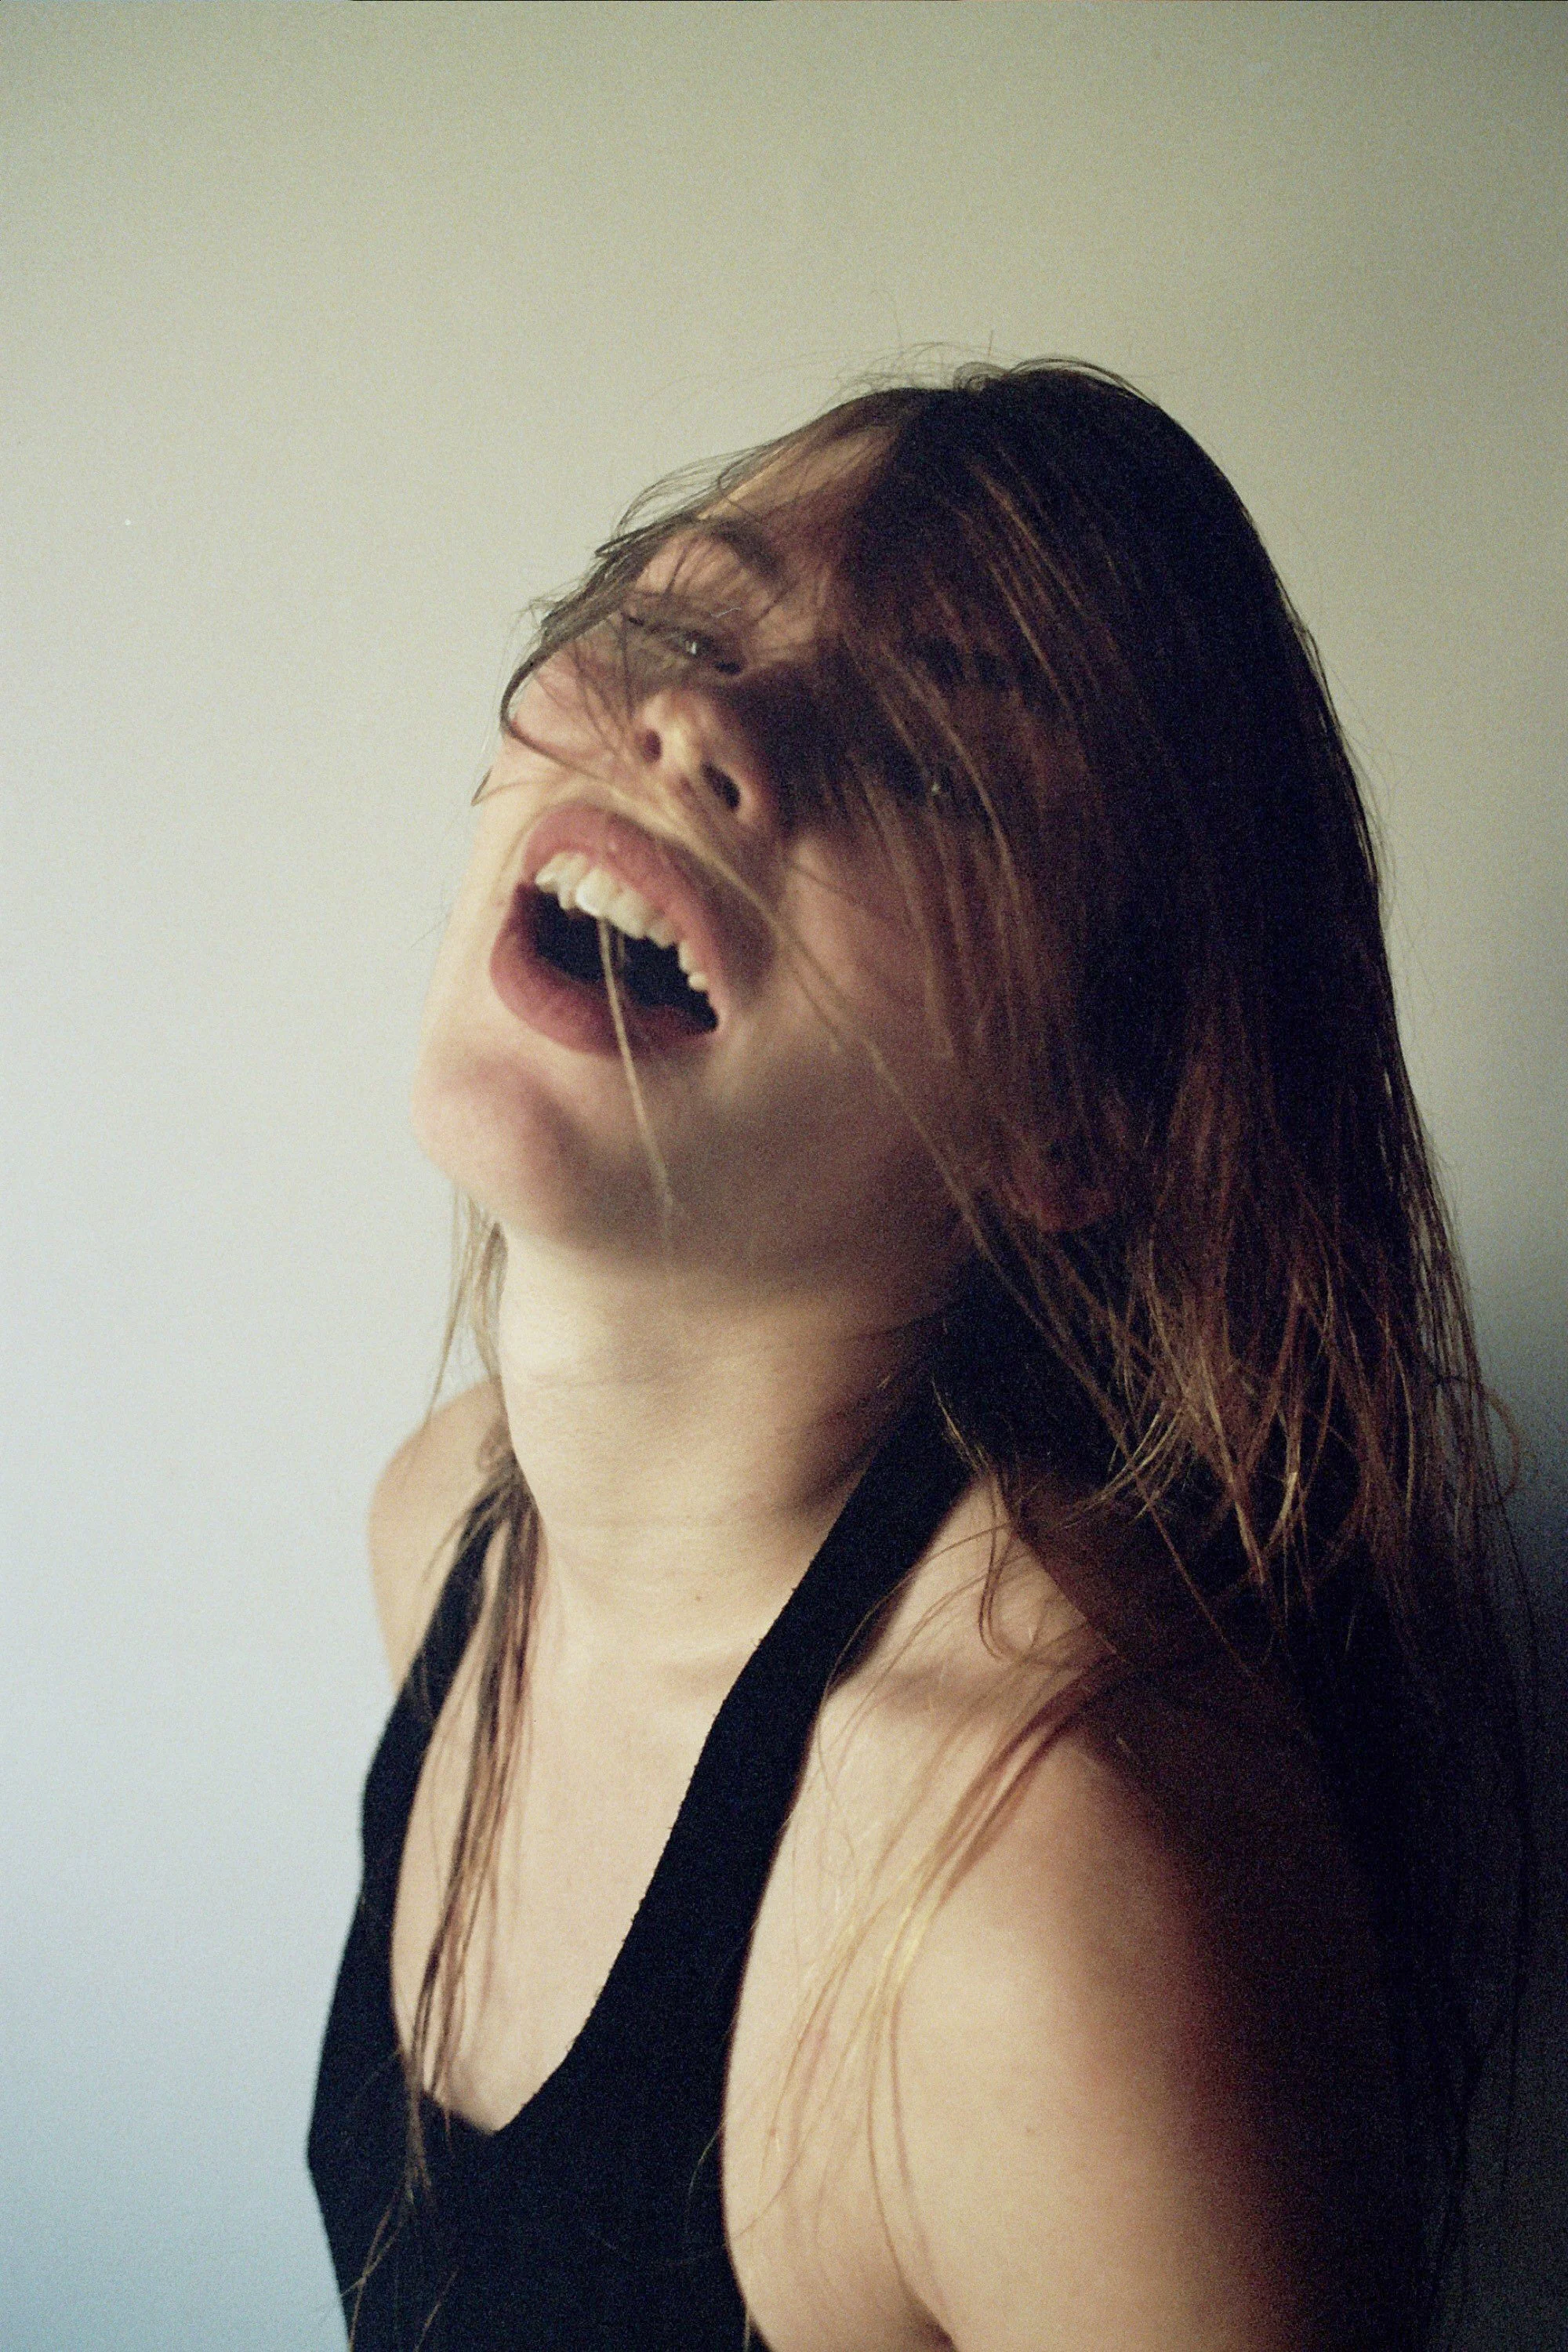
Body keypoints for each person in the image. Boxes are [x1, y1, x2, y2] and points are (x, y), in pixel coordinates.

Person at [308, 361, 1530, 2351]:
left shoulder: (1053, 1901)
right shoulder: (440, 1527)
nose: (695, 713)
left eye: (943, 754)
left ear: (1078, 1117)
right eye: (681, 619)